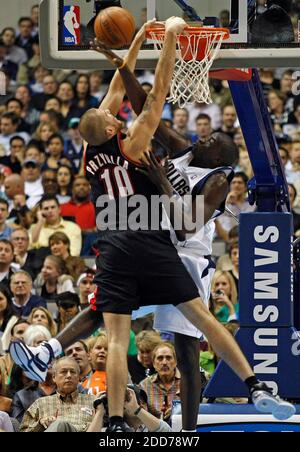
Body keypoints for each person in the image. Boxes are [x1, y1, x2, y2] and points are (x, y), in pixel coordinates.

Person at [9, 18, 296, 432]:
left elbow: (118, 97)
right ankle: (253, 385)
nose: (202, 138)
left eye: (209, 139)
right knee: (198, 322)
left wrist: (131, 48)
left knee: (143, 337)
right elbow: (152, 95)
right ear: (111, 128)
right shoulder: (142, 144)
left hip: (145, 242)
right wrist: (169, 40)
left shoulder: (205, 176)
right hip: (153, 240)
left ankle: (129, 421)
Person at [20, 357, 95, 432]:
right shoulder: (40, 404)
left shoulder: (93, 401)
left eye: (72, 372)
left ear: (78, 377)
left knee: (60, 424)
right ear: (54, 377)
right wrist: (40, 424)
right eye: (64, 372)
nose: (69, 375)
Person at [140, 342, 181, 423]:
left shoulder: (187, 382)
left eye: (168, 358)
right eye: (160, 358)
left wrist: (177, 411)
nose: (164, 362)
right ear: (154, 363)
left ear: (176, 362)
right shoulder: (144, 385)